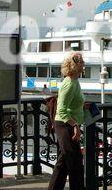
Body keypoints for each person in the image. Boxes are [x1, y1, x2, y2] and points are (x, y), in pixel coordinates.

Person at [48, 52, 85, 190]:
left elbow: (71, 103)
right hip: (65, 125)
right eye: (81, 61)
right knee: (74, 163)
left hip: (68, 124)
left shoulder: (75, 81)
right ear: (74, 65)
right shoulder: (69, 83)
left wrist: (82, 105)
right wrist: (75, 126)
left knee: (64, 163)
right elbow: (61, 110)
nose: (83, 63)